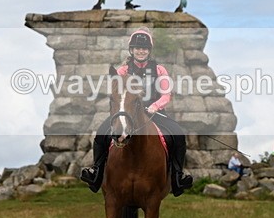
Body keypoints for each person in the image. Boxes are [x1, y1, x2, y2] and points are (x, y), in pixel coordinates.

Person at [80, 28, 194, 197]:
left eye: (145, 48)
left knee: (178, 135)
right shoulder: (123, 71)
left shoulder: (159, 70)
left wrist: (154, 106)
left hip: (154, 113)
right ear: (131, 50)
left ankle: (178, 177)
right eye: (138, 48)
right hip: (127, 113)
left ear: (149, 50)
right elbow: (117, 93)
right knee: (101, 134)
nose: (141, 51)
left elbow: (166, 94)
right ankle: (96, 173)